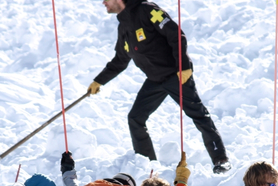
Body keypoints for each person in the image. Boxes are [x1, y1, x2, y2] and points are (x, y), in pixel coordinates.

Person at [88, 0, 230, 174]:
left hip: (176, 75)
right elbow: (120, 60)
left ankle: (220, 159)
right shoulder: (124, 26)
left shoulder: (147, 10)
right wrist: (99, 81)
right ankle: (148, 166)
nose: (103, 3)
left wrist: (183, 66)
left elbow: (176, 34)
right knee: (135, 118)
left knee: (198, 115)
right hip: (155, 80)